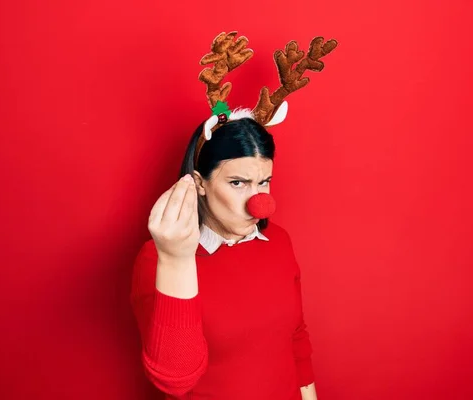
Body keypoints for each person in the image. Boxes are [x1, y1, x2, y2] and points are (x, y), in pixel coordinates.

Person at [130, 32, 337, 400]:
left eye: (264, 182)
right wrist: (176, 258)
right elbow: (176, 381)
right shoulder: (156, 259)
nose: (259, 202)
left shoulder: (279, 243)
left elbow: (296, 337)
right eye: (239, 182)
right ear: (200, 183)